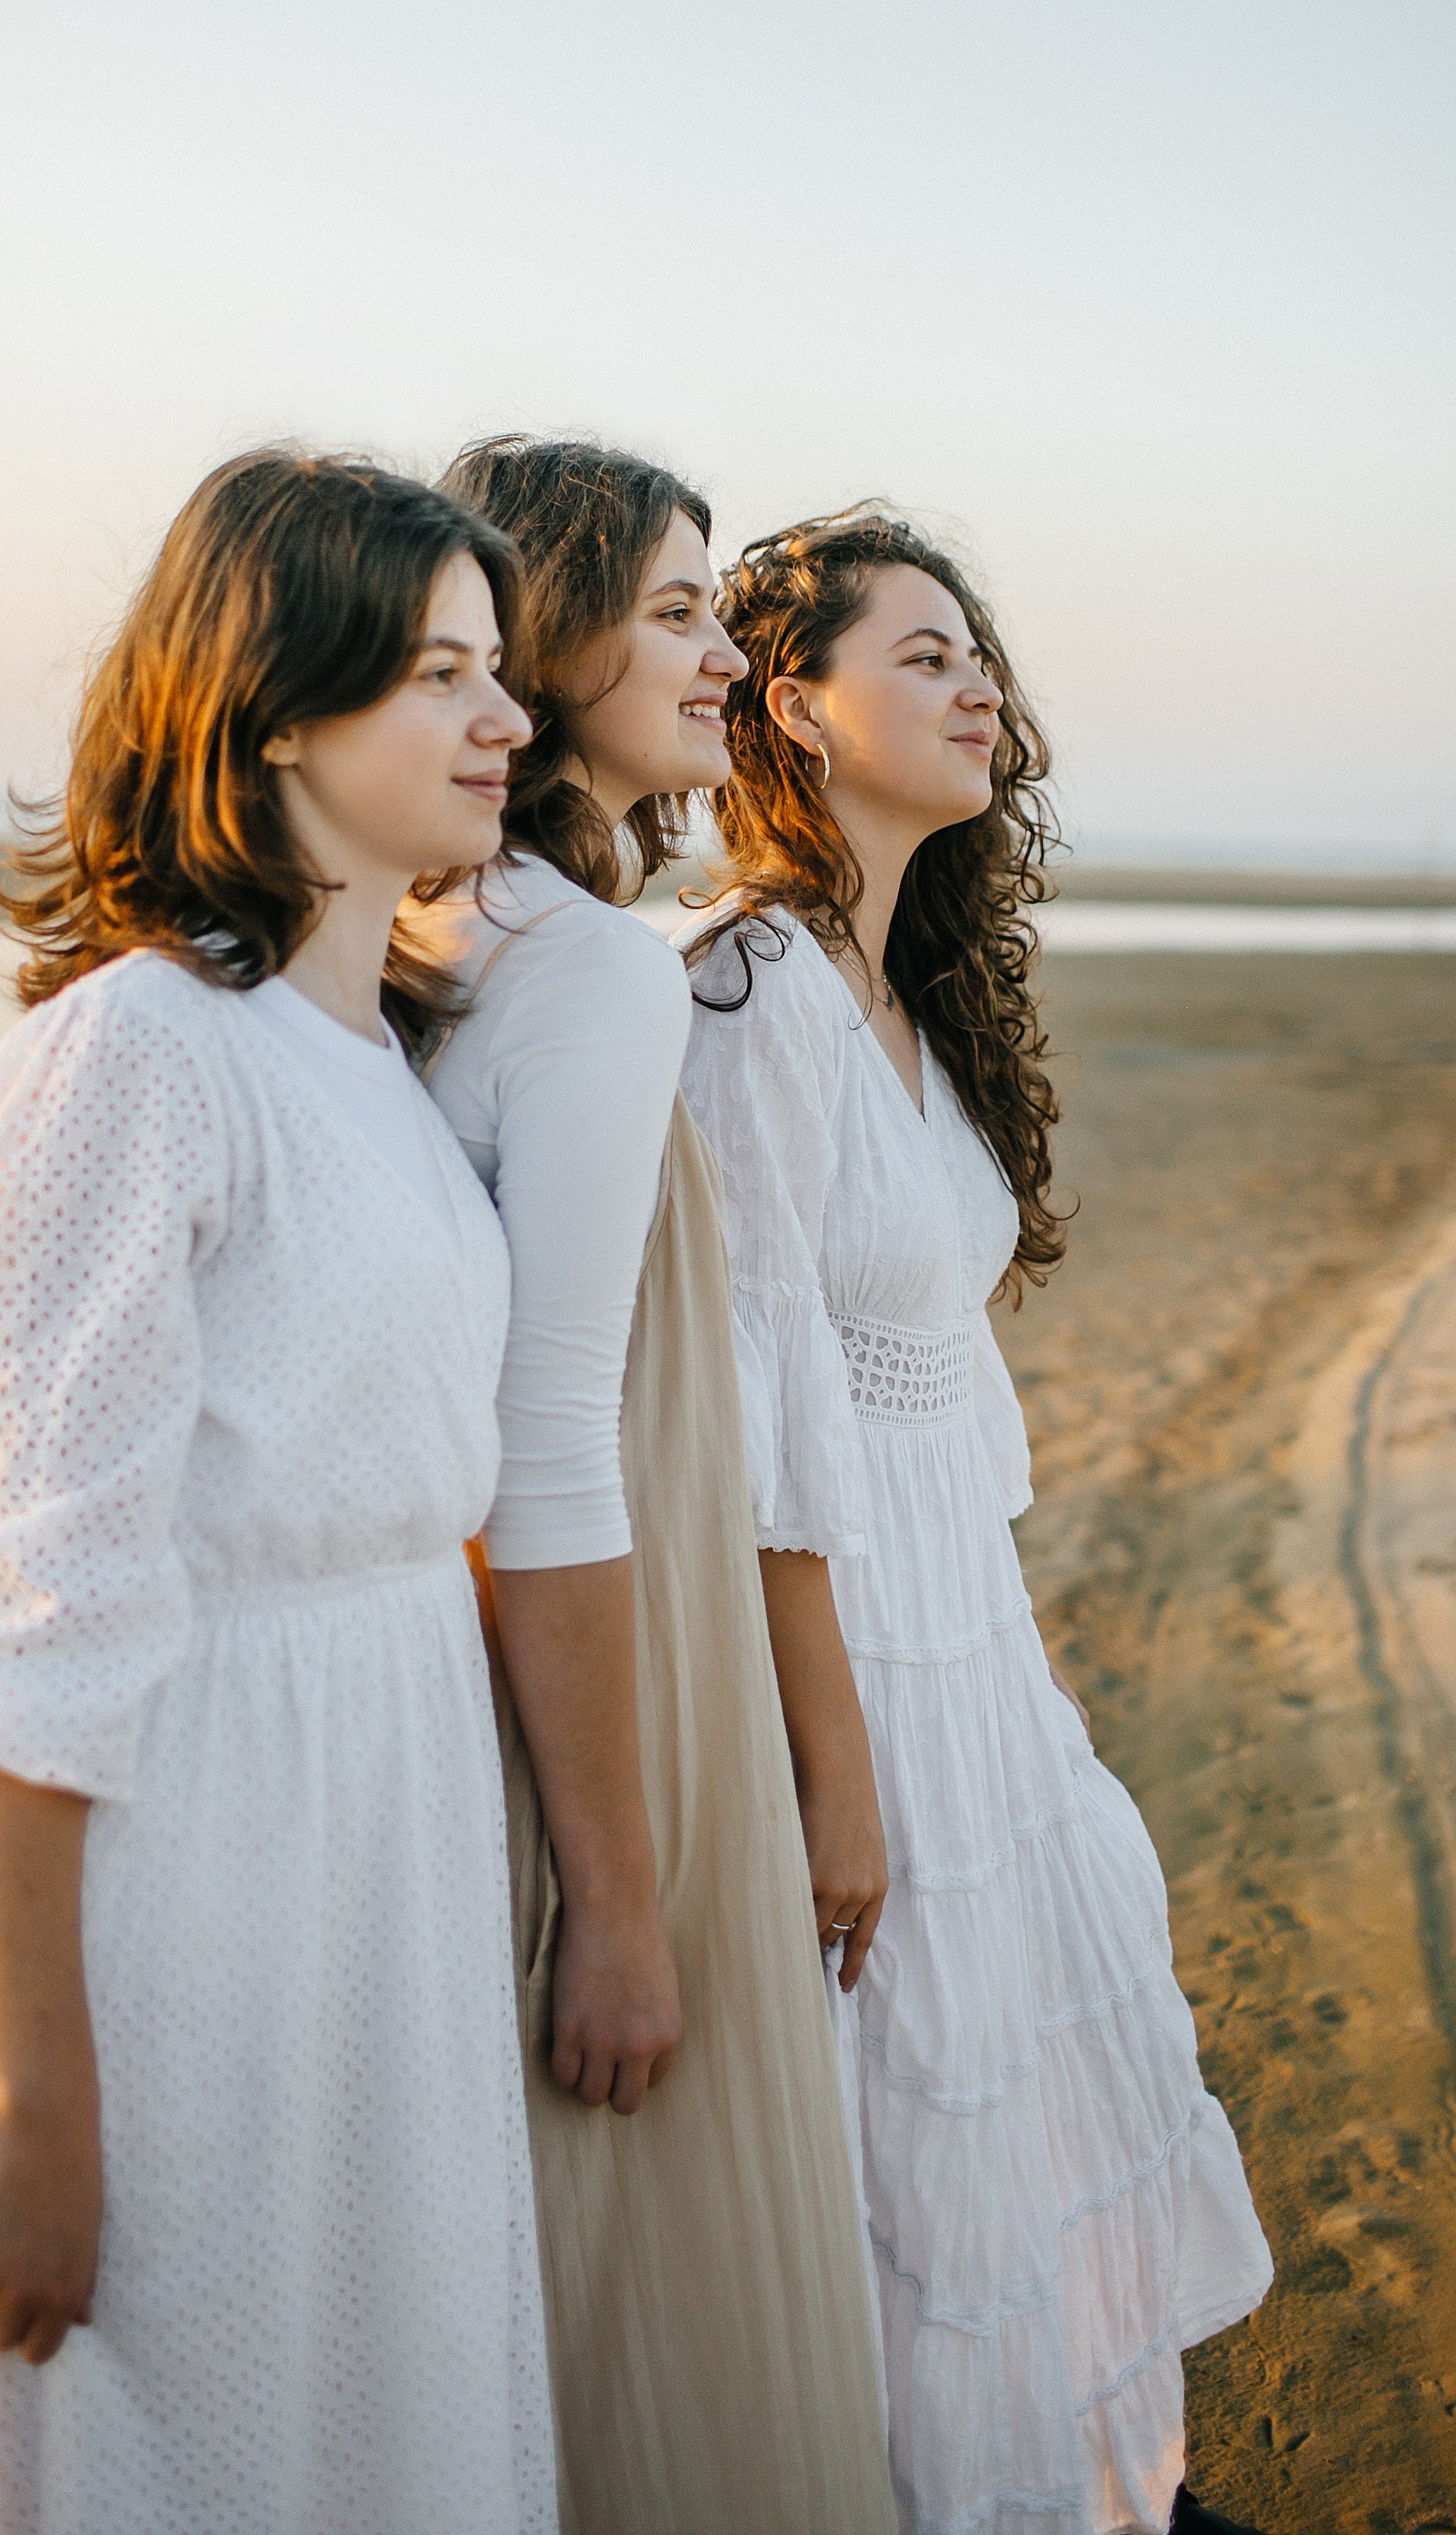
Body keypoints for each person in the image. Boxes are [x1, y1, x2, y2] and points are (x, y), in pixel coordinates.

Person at [0, 447, 557, 2535]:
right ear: (277, 707)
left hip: (370, 1846)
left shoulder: (374, 1064)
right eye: (440, 673)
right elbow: (13, 1619)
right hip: (180, 1871)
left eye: (500, 668)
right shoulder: (134, 1052)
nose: (506, 718)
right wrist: (41, 2103)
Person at [678, 508, 1274, 2535]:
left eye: (978, 654)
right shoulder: (749, 987)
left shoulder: (899, 989)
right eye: (922, 655)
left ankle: (1101, 2493)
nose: (977, 687)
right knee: (911, 2127)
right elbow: (758, 1430)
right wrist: (834, 1772)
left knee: (1027, 2087)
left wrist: (1002, 1673)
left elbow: (921, 1389)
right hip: (850, 1667)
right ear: (793, 707)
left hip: (965, 1635)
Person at [407, 438, 895, 2535]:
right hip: (630, 1645)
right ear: (551, 633)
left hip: (548, 1633)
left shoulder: (457, 923)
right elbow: (552, 1438)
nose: (722, 658)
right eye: (676, 612)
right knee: (658, 2252)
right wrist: (621, 1894)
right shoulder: (588, 963)